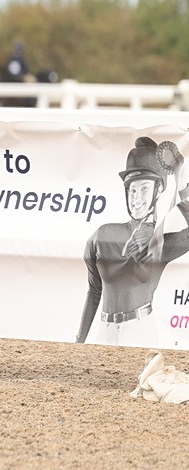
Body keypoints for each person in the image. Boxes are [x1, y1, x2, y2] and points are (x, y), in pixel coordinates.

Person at [75, 137, 189, 345]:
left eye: (144, 188)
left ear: (158, 190)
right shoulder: (102, 235)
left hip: (140, 330)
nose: (136, 198)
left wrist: (182, 185)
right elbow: (94, 291)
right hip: (105, 331)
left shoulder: (160, 242)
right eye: (132, 190)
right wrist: (79, 341)